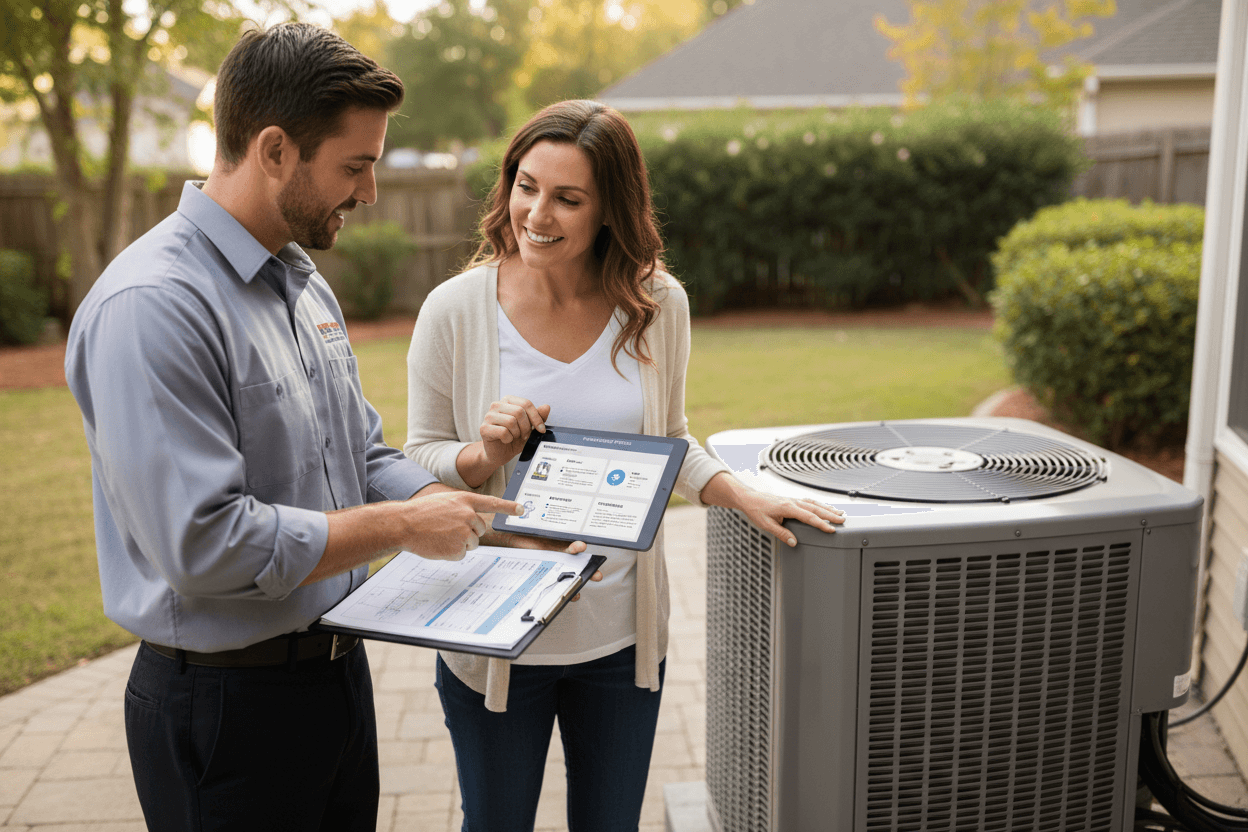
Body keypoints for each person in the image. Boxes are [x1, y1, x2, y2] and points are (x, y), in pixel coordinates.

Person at [63, 22, 569, 832]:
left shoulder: (300, 284)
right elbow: (205, 545)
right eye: (355, 165)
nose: (370, 191)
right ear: (273, 150)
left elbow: (363, 455)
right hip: (224, 708)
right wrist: (405, 524)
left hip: (334, 680)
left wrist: (491, 527)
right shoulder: (154, 307)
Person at [404, 99, 847, 832]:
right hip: (496, 633)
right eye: (525, 185)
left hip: (619, 639)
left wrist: (741, 494)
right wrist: (486, 454)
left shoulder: (656, 304)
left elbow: (668, 438)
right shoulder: (454, 309)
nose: (536, 213)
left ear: (611, 207)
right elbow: (417, 452)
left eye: (568, 198)